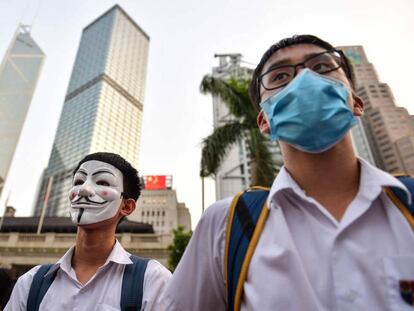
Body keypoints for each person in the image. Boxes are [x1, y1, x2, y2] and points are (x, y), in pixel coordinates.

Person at [160, 35, 414, 310]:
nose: (304, 79)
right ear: (264, 120)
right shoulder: (225, 225)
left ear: (356, 102)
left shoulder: (407, 204)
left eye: (321, 68)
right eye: (280, 76)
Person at [5, 152, 171, 311]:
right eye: (78, 182)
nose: (84, 190)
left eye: (103, 183)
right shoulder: (30, 283)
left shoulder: (152, 281)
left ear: (127, 206)